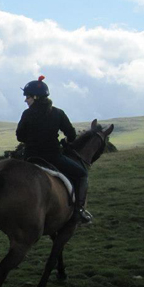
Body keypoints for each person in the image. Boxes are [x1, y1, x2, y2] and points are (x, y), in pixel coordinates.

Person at [15, 76, 92, 224]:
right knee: (82, 175)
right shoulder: (58, 113)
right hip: (53, 157)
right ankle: (79, 211)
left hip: (30, 158)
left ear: (36, 97)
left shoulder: (27, 114)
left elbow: (20, 136)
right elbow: (71, 134)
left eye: (28, 97)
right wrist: (66, 141)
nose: (26, 100)